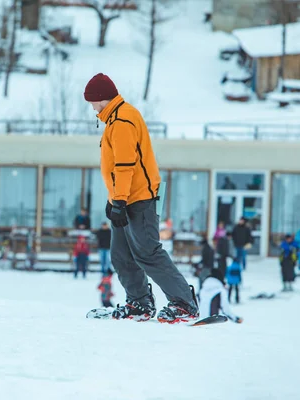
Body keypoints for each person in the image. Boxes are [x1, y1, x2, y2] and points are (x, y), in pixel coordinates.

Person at [84, 72, 198, 323]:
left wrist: (121, 201)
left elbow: (125, 165)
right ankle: (139, 303)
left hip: (139, 199)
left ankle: (184, 303)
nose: (91, 106)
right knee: (121, 254)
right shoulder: (115, 119)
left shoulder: (123, 120)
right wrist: (113, 199)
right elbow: (114, 169)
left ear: (102, 98)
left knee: (147, 252)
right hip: (125, 198)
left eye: (92, 101)